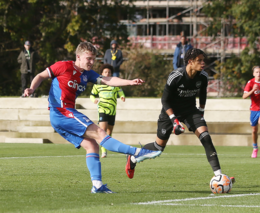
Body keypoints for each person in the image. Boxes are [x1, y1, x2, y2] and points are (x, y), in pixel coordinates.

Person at [24, 42, 161, 193]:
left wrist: (129, 82)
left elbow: (107, 80)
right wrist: (32, 88)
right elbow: (41, 75)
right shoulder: (63, 66)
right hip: (61, 112)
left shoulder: (87, 74)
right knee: (99, 133)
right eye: (88, 58)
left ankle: (97, 185)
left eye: (93, 59)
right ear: (78, 57)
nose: (91, 62)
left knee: (92, 146)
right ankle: (136, 152)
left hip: (62, 116)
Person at [125, 48, 234, 183]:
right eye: (199, 60)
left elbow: (203, 94)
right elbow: (165, 100)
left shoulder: (203, 76)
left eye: (203, 60)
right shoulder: (176, 76)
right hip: (170, 112)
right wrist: (174, 120)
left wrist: (200, 111)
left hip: (190, 111)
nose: (203, 63)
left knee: (206, 138)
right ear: (190, 62)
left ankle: (219, 176)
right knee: (158, 148)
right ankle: (133, 158)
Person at [90, 63, 125, 158]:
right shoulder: (98, 84)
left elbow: (120, 90)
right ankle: (103, 151)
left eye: (109, 72)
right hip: (102, 108)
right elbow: (92, 95)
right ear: (102, 73)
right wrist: (94, 100)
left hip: (112, 110)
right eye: (105, 72)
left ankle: (106, 147)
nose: (107, 73)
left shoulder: (114, 83)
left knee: (109, 132)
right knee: (103, 130)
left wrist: (122, 96)